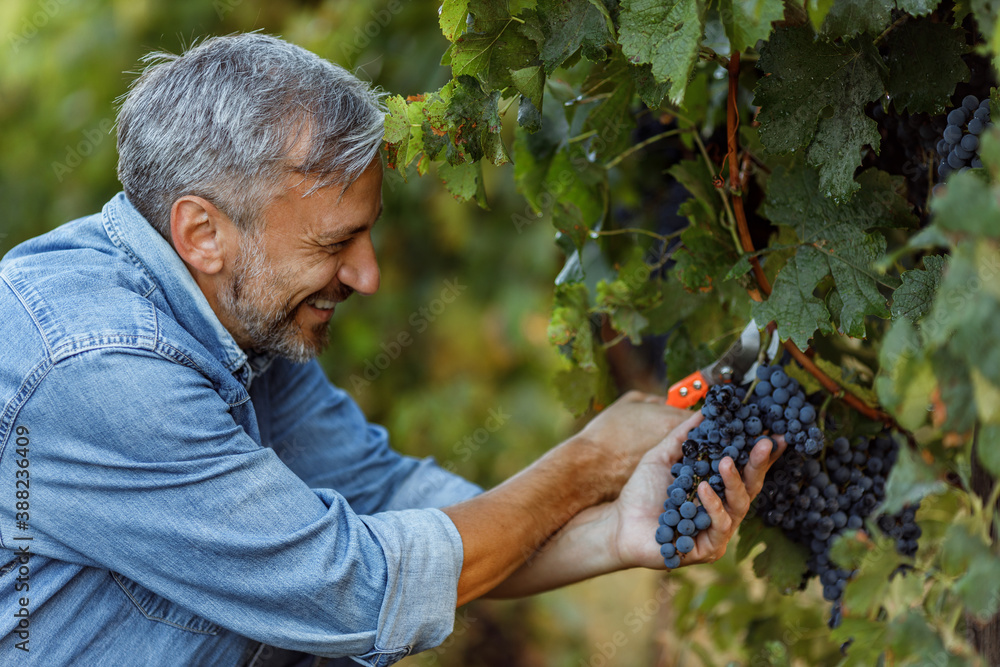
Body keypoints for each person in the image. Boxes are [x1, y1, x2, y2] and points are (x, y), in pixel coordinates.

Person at [0, 33, 782, 666]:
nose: (367, 275)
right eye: (338, 242)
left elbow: (389, 500)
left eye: (367, 233)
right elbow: (356, 587)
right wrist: (587, 462)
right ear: (202, 232)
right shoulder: (97, 371)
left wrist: (615, 532)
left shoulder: (233, 311)